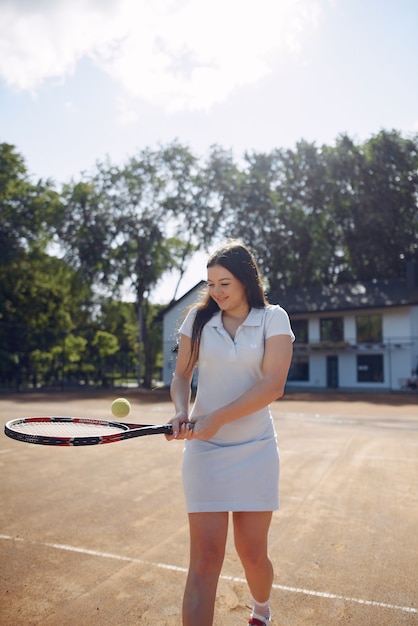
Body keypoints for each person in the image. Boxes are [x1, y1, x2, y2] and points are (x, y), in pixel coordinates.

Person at [167, 240, 295, 626]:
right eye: (210, 284)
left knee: (252, 553)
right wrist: (180, 411)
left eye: (225, 282)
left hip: (255, 449)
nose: (217, 292)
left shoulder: (274, 318)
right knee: (205, 559)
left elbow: (274, 385)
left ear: (245, 280)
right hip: (204, 452)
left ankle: (261, 610)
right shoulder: (197, 320)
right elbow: (181, 377)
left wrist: (217, 417)